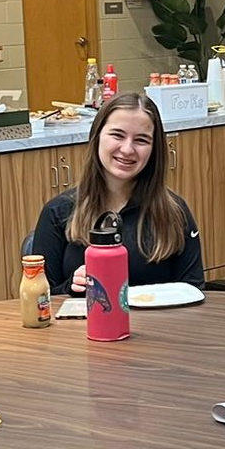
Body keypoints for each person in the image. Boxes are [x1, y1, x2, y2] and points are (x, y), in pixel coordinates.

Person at [30, 91, 203, 296]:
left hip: (158, 327)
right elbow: (41, 300)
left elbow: (195, 291)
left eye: (141, 140)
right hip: (81, 327)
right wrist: (71, 287)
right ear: (97, 136)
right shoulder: (58, 211)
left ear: (154, 149)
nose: (127, 149)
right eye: (117, 135)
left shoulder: (175, 211)